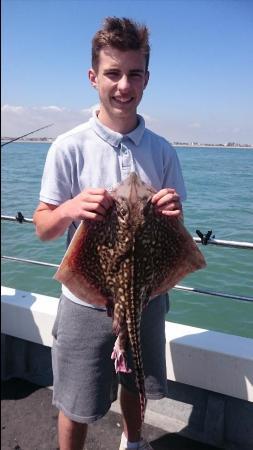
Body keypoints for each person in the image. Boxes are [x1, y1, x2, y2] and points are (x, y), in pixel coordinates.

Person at [33, 16, 186, 450]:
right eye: (113, 73)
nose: (123, 85)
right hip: (85, 299)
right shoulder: (68, 146)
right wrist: (70, 208)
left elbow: (176, 225)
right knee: (77, 401)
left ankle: (133, 442)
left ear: (147, 79)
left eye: (134, 74)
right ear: (93, 77)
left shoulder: (162, 150)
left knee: (136, 382)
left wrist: (172, 213)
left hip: (146, 295)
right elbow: (44, 227)